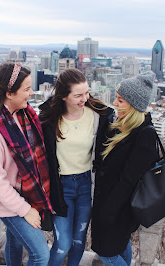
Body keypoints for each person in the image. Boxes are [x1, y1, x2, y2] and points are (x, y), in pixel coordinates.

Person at [0, 63, 53, 266]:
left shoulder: (23, 115)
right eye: (26, 89)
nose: (31, 93)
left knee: (15, 243)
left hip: (26, 192)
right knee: (41, 254)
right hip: (8, 203)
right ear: (9, 93)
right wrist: (25, 210)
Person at [39, 69, 114, 266]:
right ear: (63, 96)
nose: (85, 98)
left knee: (79, 241)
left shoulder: (98, 116)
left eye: (87, 93)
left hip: (85, 185)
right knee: (62, 244)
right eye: (78, 95)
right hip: (60, 186)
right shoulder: (48, 120)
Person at [91, 73, 160, 266]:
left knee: (106, 253)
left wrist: (108, 212)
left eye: (120, 100)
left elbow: (129, 181)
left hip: (119, 209)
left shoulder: (145, 135)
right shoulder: (122, 126)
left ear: (133, 105)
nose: (115, 103)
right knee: (120, 247)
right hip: (110, 204)